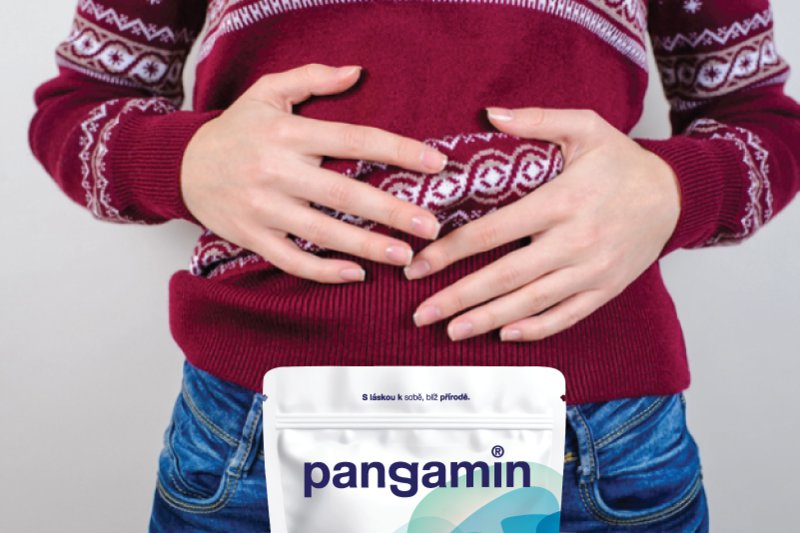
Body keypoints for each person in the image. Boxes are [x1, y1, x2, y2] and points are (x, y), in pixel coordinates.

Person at [28, 0, 800, 531]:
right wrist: (186, 161)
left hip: (602, 433)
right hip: (251, 430)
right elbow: (81, 104)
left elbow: (761, 121)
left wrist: (673, 188)